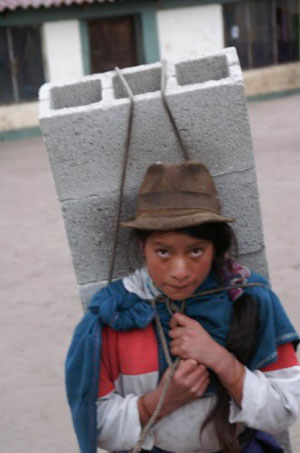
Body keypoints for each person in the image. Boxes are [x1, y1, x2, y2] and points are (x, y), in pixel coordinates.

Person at [65, 161, 300, 453]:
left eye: (196, 251)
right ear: (142, 246)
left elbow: (287, 407)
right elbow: (95, 425)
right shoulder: (116, 316)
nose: (180, 271)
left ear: (216, 247)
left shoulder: (249, 298)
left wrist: (220, 360)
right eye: (163, 251)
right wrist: (159, 401)